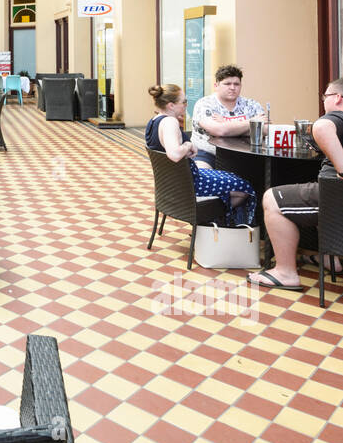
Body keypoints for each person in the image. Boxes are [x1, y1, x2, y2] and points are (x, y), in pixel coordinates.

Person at [255, 79, 343, 291]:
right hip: (333, 196)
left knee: (272, 198)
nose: (324, 101)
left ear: (338, 98)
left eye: (325, 97)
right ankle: (333, 261)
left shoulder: (336, 116)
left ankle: (285, 272)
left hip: (337, 196)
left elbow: (322, 127)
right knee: (311, 195)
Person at [147, 83, 256, 226]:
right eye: (184, 102)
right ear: (170, 105)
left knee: (231, 178)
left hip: (174, 183)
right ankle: (211, 222)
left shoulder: (154, 121)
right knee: (244, 187)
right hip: (191, 183)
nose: (186, 105)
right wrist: (188, 145)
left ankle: (214, 221)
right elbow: (174, 154)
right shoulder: (170, 122)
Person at [190, 65, 265, 164]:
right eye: (227, 84)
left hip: (245, 155)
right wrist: (251, 122)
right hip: (208, 154)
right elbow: (219, 130)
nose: (232, 88)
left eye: (236, 84)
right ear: (216, 86)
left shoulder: (252, 104)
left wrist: (226, 124)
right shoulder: (204, 104)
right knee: (203, 174)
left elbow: (265, 129)